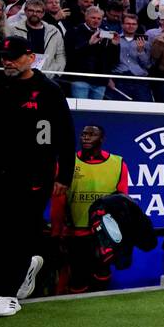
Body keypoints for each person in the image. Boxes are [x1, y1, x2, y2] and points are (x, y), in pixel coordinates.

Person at [0, 36, 74, 315]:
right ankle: (23, 268)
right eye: (4, 57)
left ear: (30, 57)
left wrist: (64, 176)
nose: (7, 62)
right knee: (3, 233)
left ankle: (7, 293)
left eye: (13, 57)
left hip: (34, 176)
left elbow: (66, 137)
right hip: (1, 174)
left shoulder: (49, 91)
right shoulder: (0, 86)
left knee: (20, 232)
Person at [64, 124, 130, 293]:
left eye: (92, 134)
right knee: (77, 276)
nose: (86, 137)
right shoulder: (68, 162)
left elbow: (122, 199)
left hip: (103, 232)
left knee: (102, 271)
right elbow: (59, 198)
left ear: (101, 139)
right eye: (84, 134)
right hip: (75, 231)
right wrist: (58, 230)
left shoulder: (118, 163)